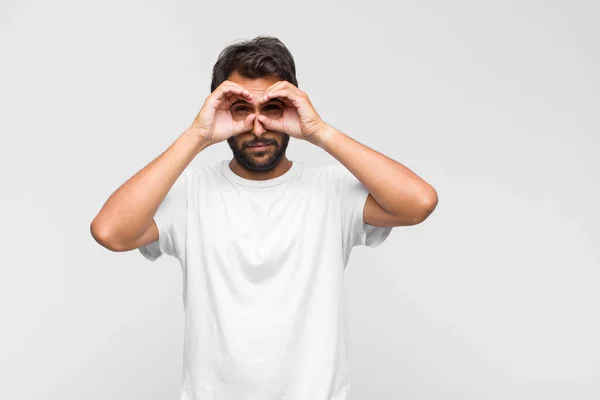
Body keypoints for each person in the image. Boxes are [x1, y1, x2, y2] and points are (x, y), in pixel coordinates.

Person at [91, 35, 438, 400]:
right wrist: (197, 135)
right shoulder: (190, 194)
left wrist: (320, 132)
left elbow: (419, 202)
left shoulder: (330, 191)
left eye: (272, 108)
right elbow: (110, 231)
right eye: (241, 109)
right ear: (221, 110)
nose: (258, 128)